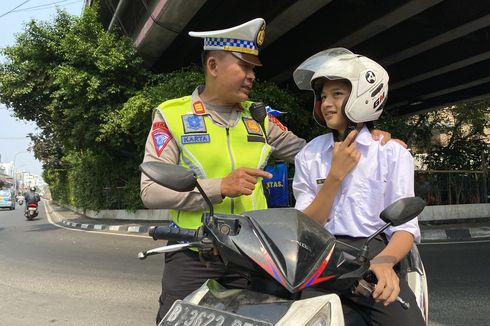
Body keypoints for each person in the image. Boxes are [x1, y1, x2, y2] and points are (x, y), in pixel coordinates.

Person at [140, 20, 399, 324]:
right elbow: (151, 191)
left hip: (253, 257)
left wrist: (369, 137)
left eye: (254, 69)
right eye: (245, 67)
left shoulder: (259, 118)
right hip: (196, 255)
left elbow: (314, 154)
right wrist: (220, 186)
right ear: (213, 65)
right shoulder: (173, 115)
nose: (252, 76)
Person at [292, 48, 425, 326]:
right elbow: (306, 225)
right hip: (322, 263)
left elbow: (405, 228)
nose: (327, 103)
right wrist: (334, 177)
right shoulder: (310, 154)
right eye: (323, 96)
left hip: (374, 260)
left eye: (337, 94)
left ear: (363, 96)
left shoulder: (390, 153)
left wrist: (386, 261)